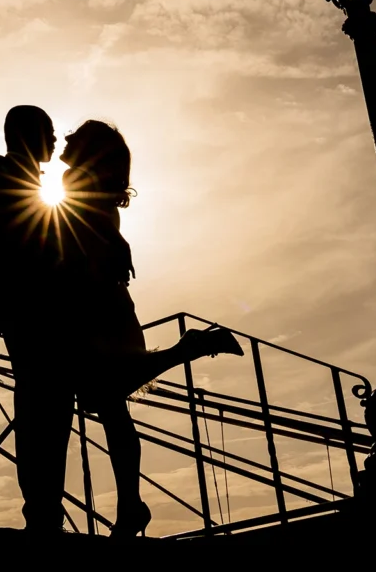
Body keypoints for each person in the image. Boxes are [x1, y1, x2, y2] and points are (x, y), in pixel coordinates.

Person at [55, 120, 244, 538]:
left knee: (104, 395)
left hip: (92, 302)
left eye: (74, 136)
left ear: (88, 149)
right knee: (110, 401)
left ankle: (131, 506)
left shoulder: (73, 180)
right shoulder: (98, 186)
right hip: (111, 299)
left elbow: (75, 238)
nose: (65, 140)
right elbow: (101, 235)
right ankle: (130, 504)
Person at [0, 104, 72, 533]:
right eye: (49, 131)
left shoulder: (32, 184)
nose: (55, 140)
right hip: (28, 307)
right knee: (39, 404)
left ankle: (46, 506)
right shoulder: (0, 172)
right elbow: (10, 239)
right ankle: (42, 511)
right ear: (30, 134)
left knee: (52, 406)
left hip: (40, 308)